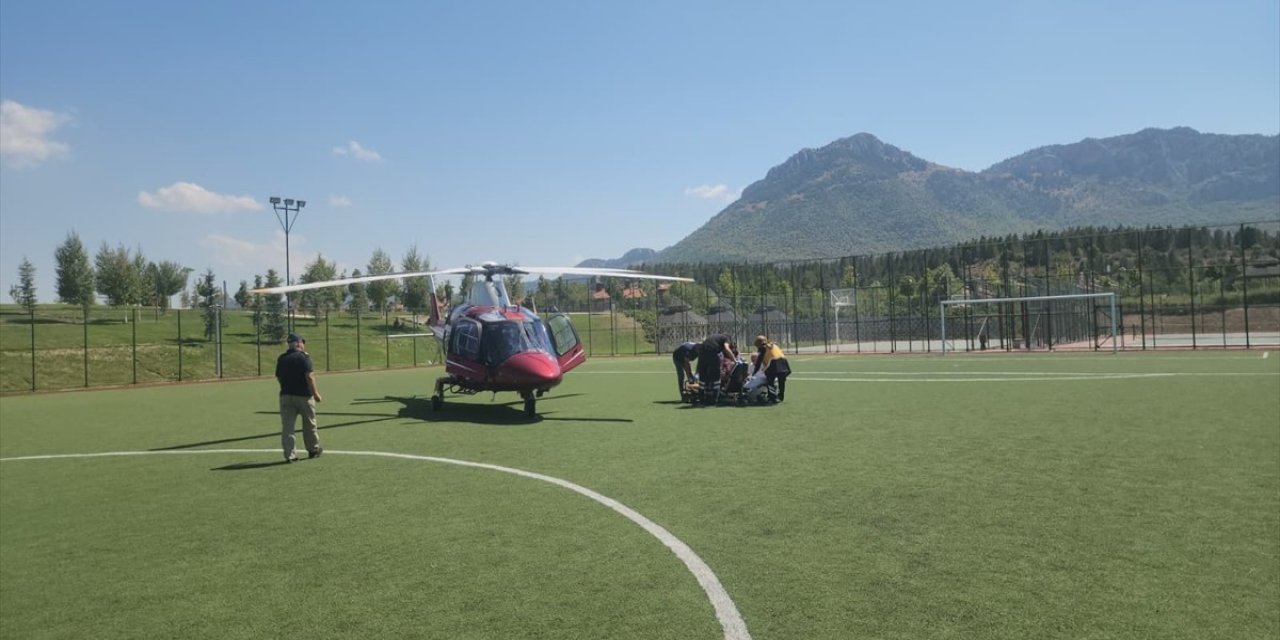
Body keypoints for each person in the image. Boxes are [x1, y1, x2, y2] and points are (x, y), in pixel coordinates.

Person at [276, 332, 323, 463]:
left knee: (288, 427)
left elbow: (279, 377)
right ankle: (313, 450)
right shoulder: (304, 357)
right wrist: (316, 394)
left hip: (286, 396)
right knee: (309, 424)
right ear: (298, 343)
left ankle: (290, 456)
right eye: (302, 342)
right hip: (304, 397)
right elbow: (310, 376)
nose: (303, 345)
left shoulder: (282, 358)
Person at [751, 335, 791, 403]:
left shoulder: (763, 348)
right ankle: (780, 396)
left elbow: (758, 363)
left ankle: (772, 397)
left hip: (774, 363)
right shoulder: (773, 345)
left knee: (770, 381)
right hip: (784, 363)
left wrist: (753, 374)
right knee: (781, 381)